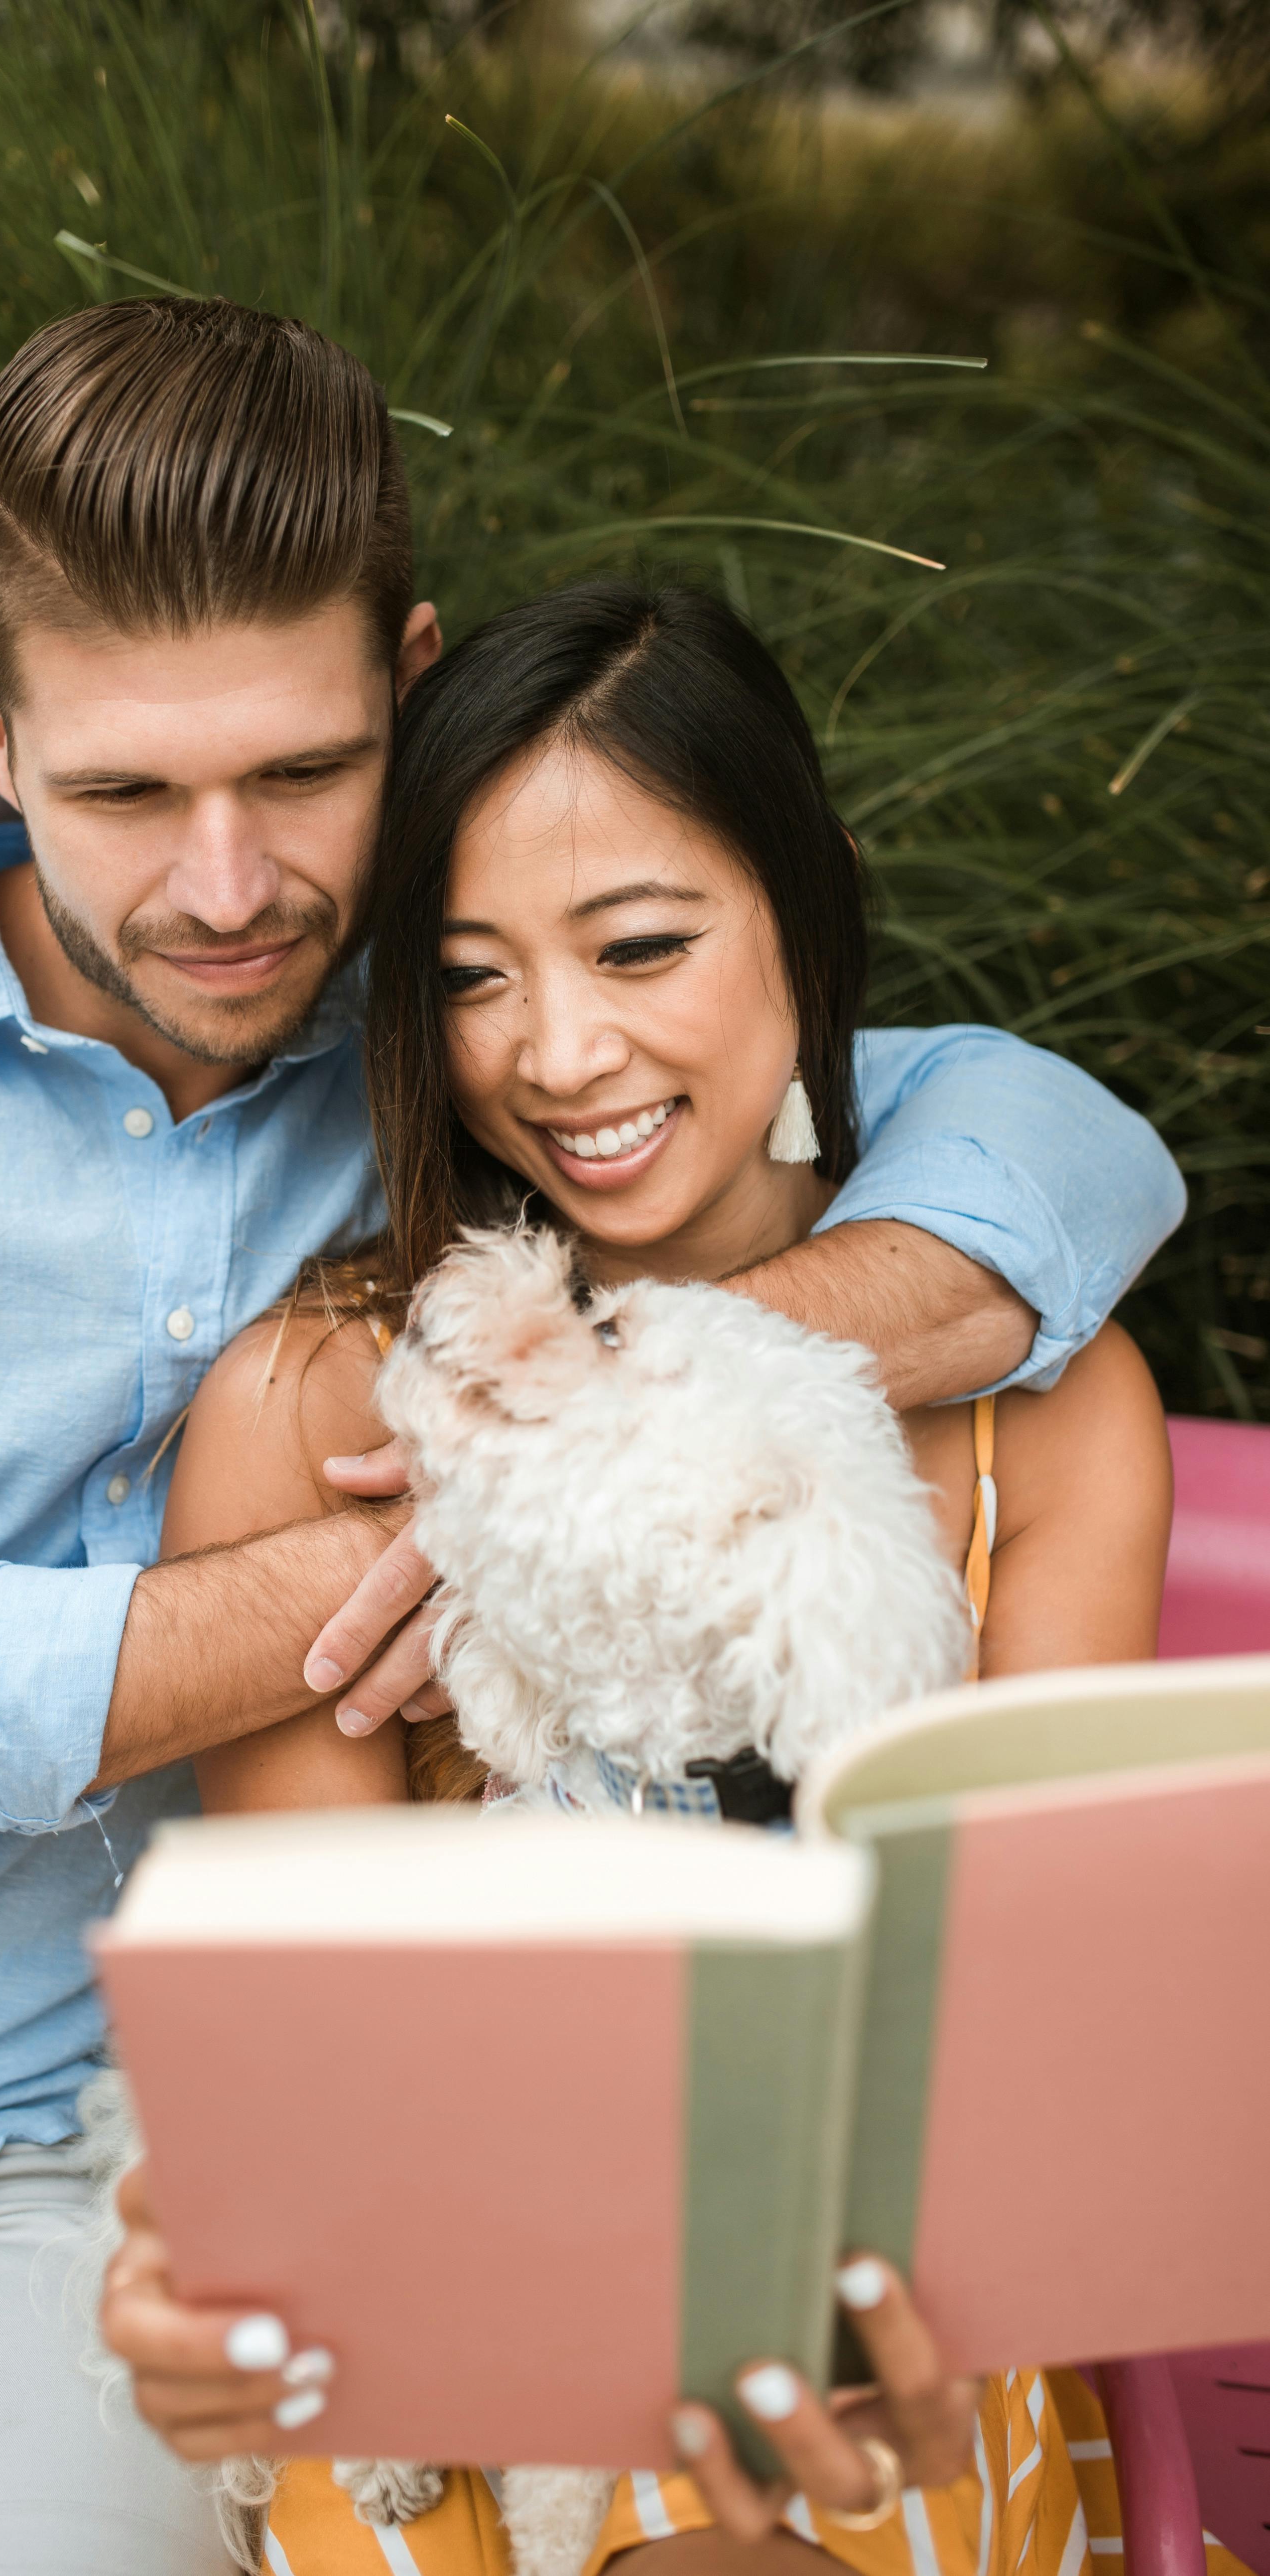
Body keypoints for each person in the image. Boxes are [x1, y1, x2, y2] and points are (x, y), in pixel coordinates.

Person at [0, 296, 1181, 2576]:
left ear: (408, 685)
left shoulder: (473, 1044)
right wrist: (463, 1525)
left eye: (301, 776)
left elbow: (1050, 1139)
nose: (230, 890)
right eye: (126, 791)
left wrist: (665, 1379)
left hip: (19, 2181)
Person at [100, 580, 1180, 2576]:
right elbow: (324, 2057)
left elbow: (1026, 2018)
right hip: (449, 2293)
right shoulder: (325, 1393)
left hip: (885, 2293)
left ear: (809, 905)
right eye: (472, 972)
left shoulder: (1049, 1403)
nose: (557, 1050)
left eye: (641, 944)